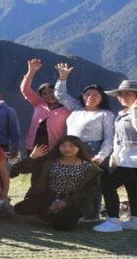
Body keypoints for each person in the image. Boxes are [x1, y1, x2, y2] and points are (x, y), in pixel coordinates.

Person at [94, 80, 137, 233]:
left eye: (127, 93)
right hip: (128, 158)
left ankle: (113, 221)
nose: (122, 96)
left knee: (108, 184)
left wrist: (136, 108)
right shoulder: (126, 111)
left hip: (136, 159)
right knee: (133, 188)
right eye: (120, 94)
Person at [54, 62, 115, 222]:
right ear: (82, 96)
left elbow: (109, 139)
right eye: (87, 94)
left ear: (102, 98)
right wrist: (63, 77)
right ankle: (67, 209)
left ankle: (91, 214)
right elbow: (60, 95)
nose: (90, 97)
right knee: (68, 179)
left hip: (91, 151)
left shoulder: (105, 115)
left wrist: (101, 156)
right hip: (69, 148)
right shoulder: (76, 108)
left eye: (95, 95)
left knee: (91, 183)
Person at [12, 136, 102, 231]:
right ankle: (49, 214)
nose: (67, 149)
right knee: (20, 208)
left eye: (72, 146)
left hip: (73, 201)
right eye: (63, 145)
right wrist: (32, 157)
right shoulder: (49, 161)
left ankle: (62, 216)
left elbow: (90, 192)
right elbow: (21, 170)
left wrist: (66, 202)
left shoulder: (89, 167)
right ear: (58, 147)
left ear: (79, 147)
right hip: (49, 196)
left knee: (62, 226)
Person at [20, 59, 70, 152]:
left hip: (54, 149)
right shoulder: (39, 103)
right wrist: (31, 72)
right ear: (41, 96)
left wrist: (63, 76)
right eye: (44, 93)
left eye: (51, 92)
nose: (49, 95)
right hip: (33, 147)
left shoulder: (67, 109)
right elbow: (25, 90)